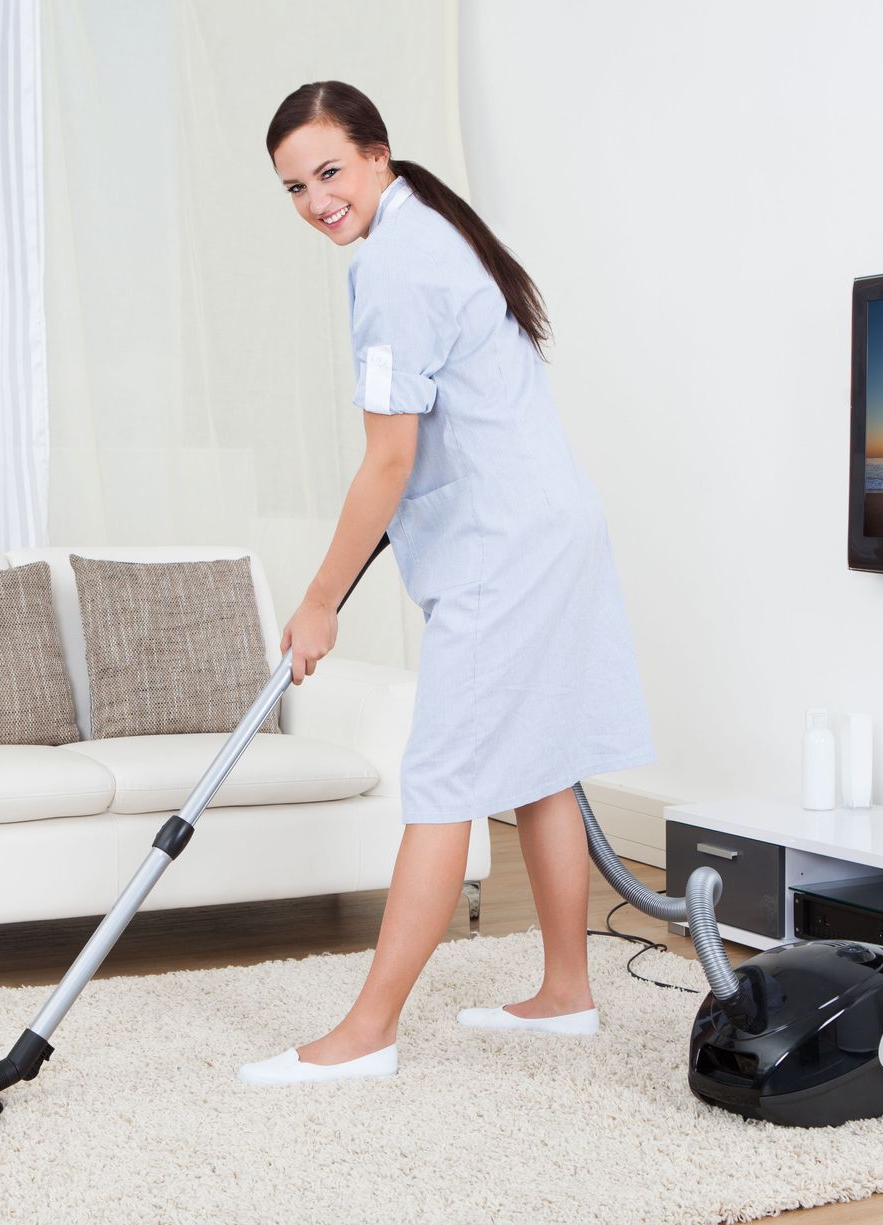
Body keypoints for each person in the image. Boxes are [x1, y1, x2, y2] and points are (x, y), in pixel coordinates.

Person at [237, 81, 656, 1086]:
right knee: (542, 763)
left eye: (330, 172)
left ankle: (369, 1029)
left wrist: (318, 602)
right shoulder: (430, 228)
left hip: (508, 546)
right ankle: (565, 992)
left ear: (377, 154)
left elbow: (388, 462)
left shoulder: (396, 265)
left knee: (443, 784)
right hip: (548, 524)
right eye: (295, 187)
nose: (315, 201)